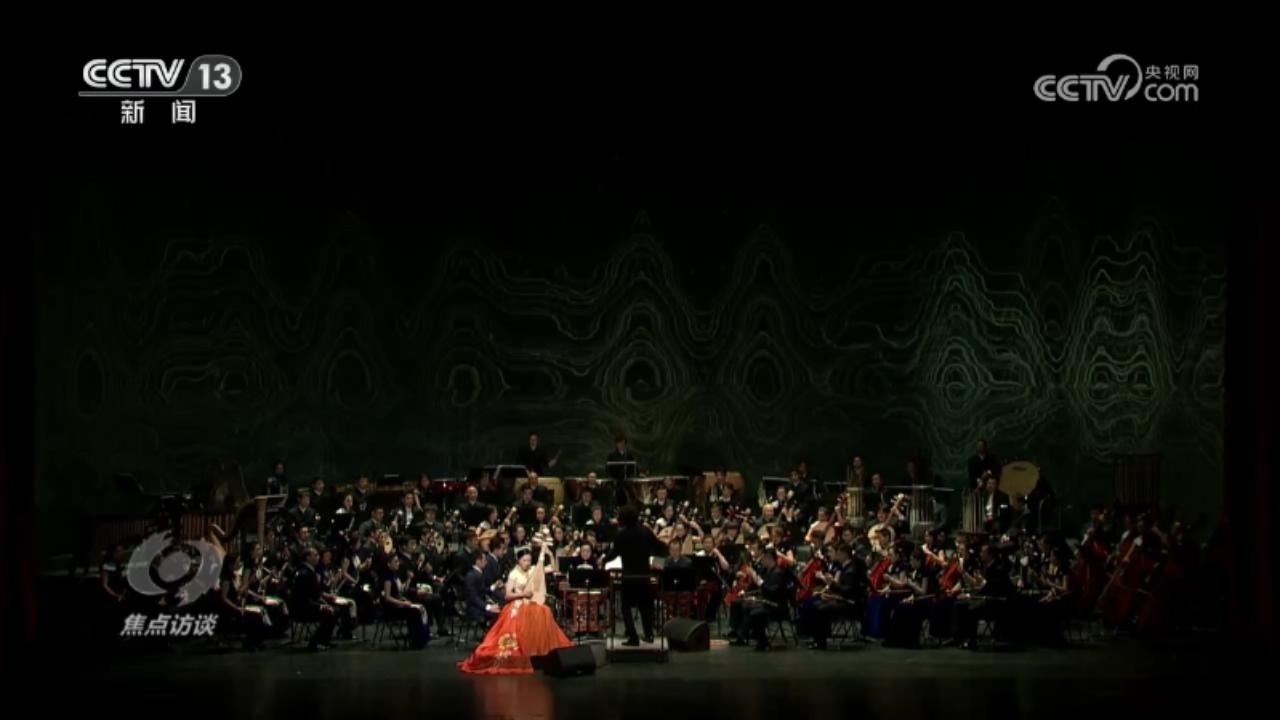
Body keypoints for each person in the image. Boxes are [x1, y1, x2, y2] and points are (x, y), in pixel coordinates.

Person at [458, 543, 572, 674]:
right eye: (524, 560)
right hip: (518, 604)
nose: (527, 563)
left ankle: (540, 652)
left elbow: (553, 568)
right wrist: (522, 594)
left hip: (533, 604)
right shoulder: (514, 574)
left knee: (545, 611)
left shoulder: (533, 570)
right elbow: (507, 595)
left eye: (529, 560)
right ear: (518, 560)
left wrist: (549, 554)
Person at [605, 506, 666, 645]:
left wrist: (603, 560)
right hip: (644, 576)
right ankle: (649, 634)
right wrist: (657, 563)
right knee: (645, 606)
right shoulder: (646, 531)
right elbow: (661, 547)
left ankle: (633, 637)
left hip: (629, 577)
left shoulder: (621, 534)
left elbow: (613, 554)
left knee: (625, 607)